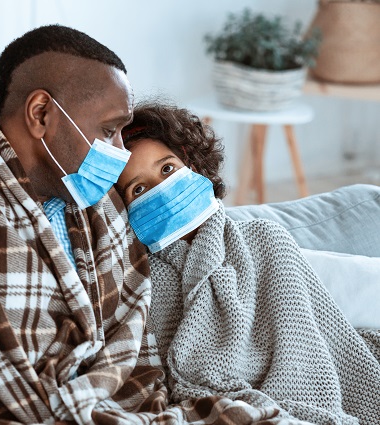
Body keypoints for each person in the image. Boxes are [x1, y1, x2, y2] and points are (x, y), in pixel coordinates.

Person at [0, 25, 284, 425]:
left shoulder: (91, 201)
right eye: (108, 130)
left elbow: (127, 348)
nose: (119, 150)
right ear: (41, 115)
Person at [117, 101, 380, 424]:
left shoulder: (265, 238)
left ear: (193, 164)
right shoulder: (141, 279)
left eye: (167, 169)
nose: (161, 190)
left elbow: (312, 338)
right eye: (139, 188)